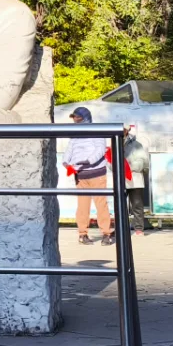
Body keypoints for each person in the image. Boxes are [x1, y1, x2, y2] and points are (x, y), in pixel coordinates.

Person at [64, 105, 116, 245]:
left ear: (84, 119)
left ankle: (106, 233)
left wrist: (87, 161)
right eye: (74, 117)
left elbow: (100, 150)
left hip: (96, 173)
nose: (74, 120)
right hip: (81, 174)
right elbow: (69, 150)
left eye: (77, 117)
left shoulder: (96, 132)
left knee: (101, 204)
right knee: (82, 206)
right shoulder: (75, 135)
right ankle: (82, 234)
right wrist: (65, 161)